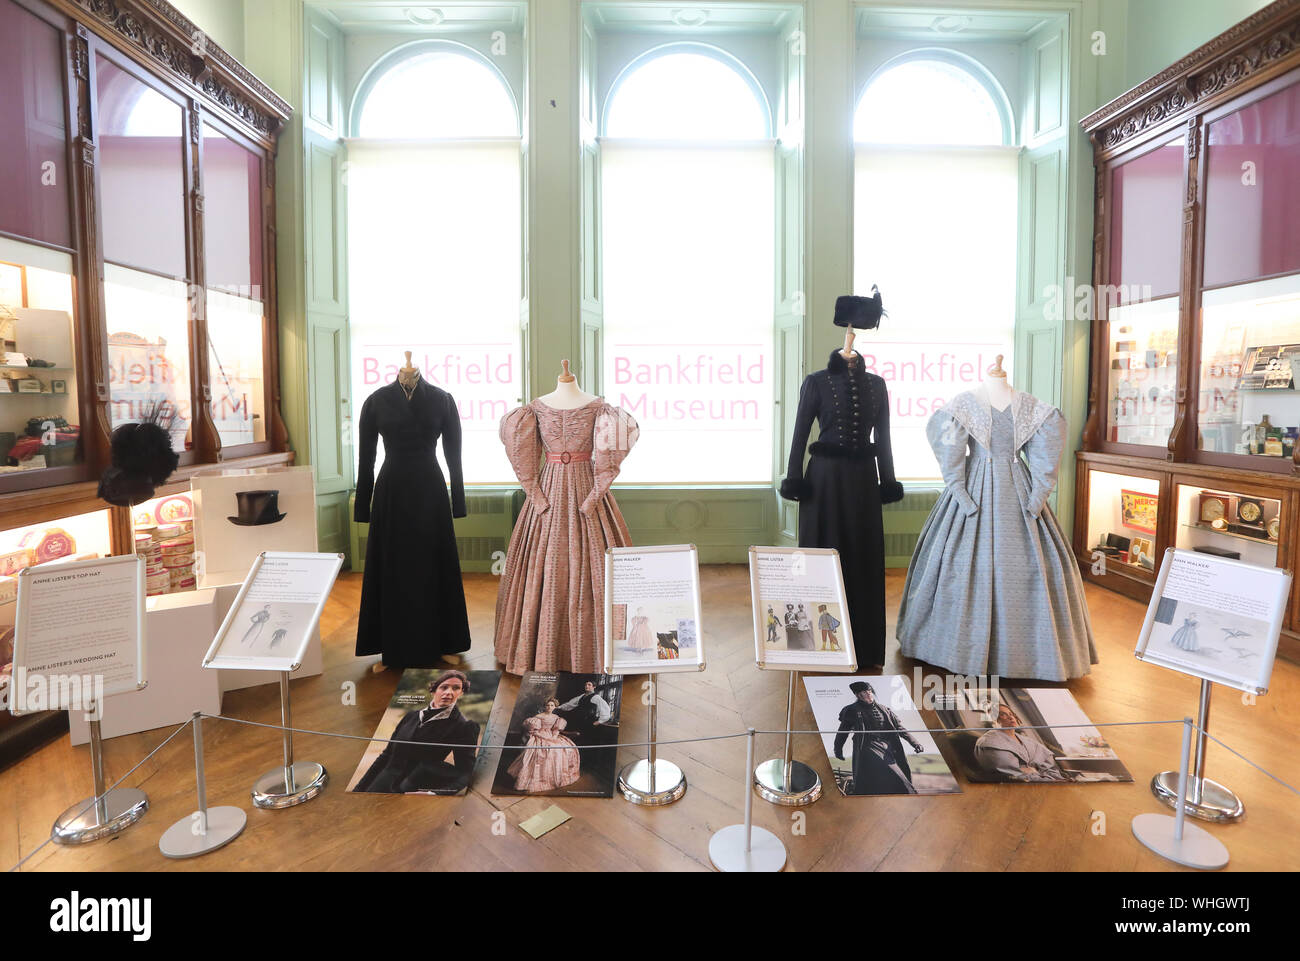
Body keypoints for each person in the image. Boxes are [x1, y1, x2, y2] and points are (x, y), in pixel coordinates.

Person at [355, 670, 481, 794]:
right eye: (444, 687)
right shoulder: (411, 716)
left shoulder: (464, 726)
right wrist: (360, 788)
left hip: (414, 788)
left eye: (456, 688)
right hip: (382, 783)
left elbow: (466, 773)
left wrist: (434, 793)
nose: (449, 692)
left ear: (461, 692)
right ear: (433, 691)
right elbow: (386, 755)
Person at [833, 680, 922, 795]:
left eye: (869, 691)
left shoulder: (885, 710)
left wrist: (915, 743)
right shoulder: (852, 710)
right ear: (858, 695)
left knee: (890, 779)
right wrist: (838, 749)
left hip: (888, 748)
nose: (869, 693)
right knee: (897, 777)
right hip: (867, 748)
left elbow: (900, 729)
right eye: (865, 692)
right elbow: (843, 732)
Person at [973, 702, 1065, 782]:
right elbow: (1013, 774)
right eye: (1003, 714)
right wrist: (1040, 775)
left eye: (1011, 714)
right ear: (992, 719)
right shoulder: (988, 742)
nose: (1010, 717)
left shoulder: (1028, 741)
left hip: (1047, 781)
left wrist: (1054, 779)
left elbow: (1049, 765)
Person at [506, 697, 581, 793]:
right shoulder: (539, 716)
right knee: (543, 750)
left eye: (552, 705)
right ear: (545, 706)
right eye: (548, 705)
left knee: (563, 748)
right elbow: (533, 730)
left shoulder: (556, 718)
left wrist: (554, 738)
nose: (549, 707)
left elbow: (556, 730)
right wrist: (541, 735)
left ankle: (555, 778)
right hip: (539, 736)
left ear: (555, 707)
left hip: (551, 736)